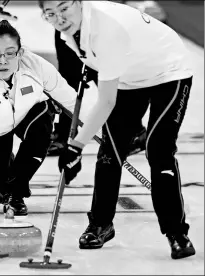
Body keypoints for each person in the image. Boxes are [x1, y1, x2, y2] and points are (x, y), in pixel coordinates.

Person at [39, 0, 195, 259]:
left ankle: (176, 232)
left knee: (159, 151)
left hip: (168, 72)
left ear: (79, 3)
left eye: (64, 8)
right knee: (110, 152)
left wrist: (76, 146)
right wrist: (93, 63)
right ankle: (101, 224)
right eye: (50, 13)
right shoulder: (67, 30)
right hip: (128, 76)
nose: (59, 17)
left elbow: (106, 102)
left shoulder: (106, 29)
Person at [0, 20, 77, 221]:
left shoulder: (37, 67)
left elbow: (74, 104)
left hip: (31, 116)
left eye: (10, 52)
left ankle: (17, 191)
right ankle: (8, 168)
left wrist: (80, 143)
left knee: (41, 128)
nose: (2, 60)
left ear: (20, 53)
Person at [49, 29, 147, 156]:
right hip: (67, 23)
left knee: (107, 76)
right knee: (68, 78)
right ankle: (65, 133)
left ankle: (134, 132)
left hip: (94, 26)